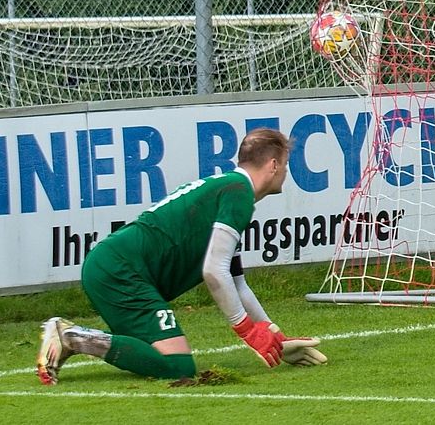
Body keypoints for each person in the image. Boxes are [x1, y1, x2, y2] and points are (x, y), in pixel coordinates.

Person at [36, 128, 327, 385]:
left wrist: (275, 334)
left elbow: (236, 282)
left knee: (152, 353)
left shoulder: (229, 189)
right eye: (286, 164)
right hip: (121, 272)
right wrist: (247, 331)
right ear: (273, 165)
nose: (287, 172)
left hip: (115, 267)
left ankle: (72, 339)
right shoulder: (238, 195)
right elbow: (214, 272)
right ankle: (72, 337)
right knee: (178, 366)